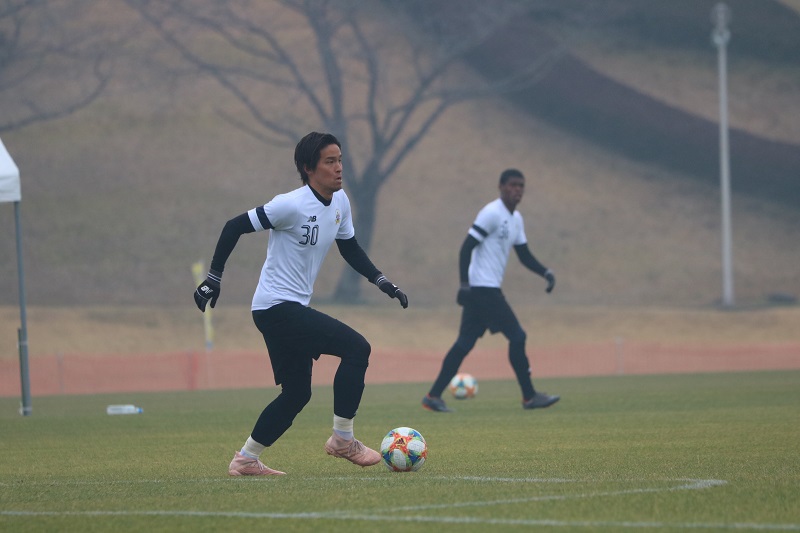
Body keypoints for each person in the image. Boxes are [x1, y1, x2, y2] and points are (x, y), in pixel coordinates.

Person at [194, 132, 408, 476]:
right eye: (330, 162)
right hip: (276, 307)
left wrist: (381, 280)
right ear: (309, 168)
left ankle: (246, 459)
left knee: (296, 394)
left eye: (340, 160)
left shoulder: (340, 203)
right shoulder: (289, 205)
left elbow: (349, 247)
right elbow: (234, 227)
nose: (339, 168)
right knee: (357, 348)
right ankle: (343, 439)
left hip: (284, 309)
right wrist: (213, 278)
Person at [421, 168, 559, 413]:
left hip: (485, 289)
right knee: (517, 336)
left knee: (464, 343)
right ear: (501, 187)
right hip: (482, 289)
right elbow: (466, 248)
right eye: (512, 185)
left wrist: (545, 272)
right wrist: (464, 285)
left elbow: (524, 255)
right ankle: (529, 397)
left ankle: (433, 396)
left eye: (521, 186)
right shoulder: (491, 213)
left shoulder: (516, 219)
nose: (517, 190)